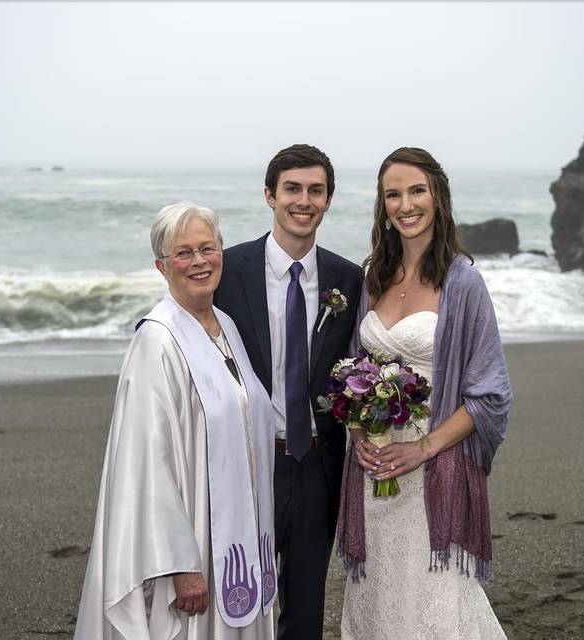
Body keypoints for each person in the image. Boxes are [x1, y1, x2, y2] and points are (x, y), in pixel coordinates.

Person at [75, 202, 277, 639]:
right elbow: (148, 463)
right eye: (183, 253)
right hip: (195, 546)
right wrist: (181, 565)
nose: (199, 261)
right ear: (161, 266)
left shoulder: (225, 326)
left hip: (240, 541)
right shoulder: (158, 340)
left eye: (208, 247)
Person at [336, 148, 513, 639]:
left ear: (437, 196)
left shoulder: (464, 284)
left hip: (433, 469)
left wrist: (422, 448)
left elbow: (490, 395)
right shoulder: (373, 276)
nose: (405, 204)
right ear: (382, 205)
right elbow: (352, 370)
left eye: (416, 190)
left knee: (432, 597)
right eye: (393, 194)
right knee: (378, 596)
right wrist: (358, 434)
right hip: (374, 469)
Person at [214, 144, 363, 640]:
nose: (304, 201)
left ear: (328, 200)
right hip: (248, 464)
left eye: (315, 191)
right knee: (239, 600)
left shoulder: (348, 279)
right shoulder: (227, 271)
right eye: (293, 189)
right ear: (269, 196)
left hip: (318, 466)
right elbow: (179, 332)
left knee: (305, 613)